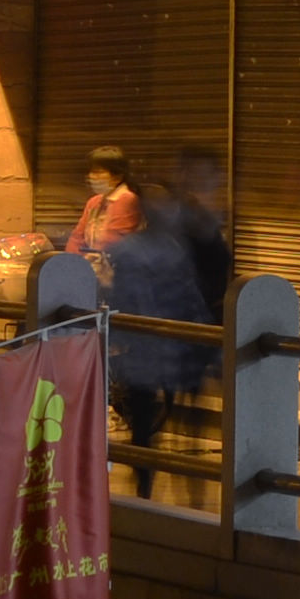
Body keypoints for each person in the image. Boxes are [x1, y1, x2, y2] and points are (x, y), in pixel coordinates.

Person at [108, 147, 228, 500]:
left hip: (167, 349)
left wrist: (208, 340)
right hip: (155, 351)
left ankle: (173, 490)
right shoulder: (133, 251)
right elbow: (132, 301)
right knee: (147, 424)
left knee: (163, 421)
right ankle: (152, 488)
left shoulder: (172, 246)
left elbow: (189, 295)